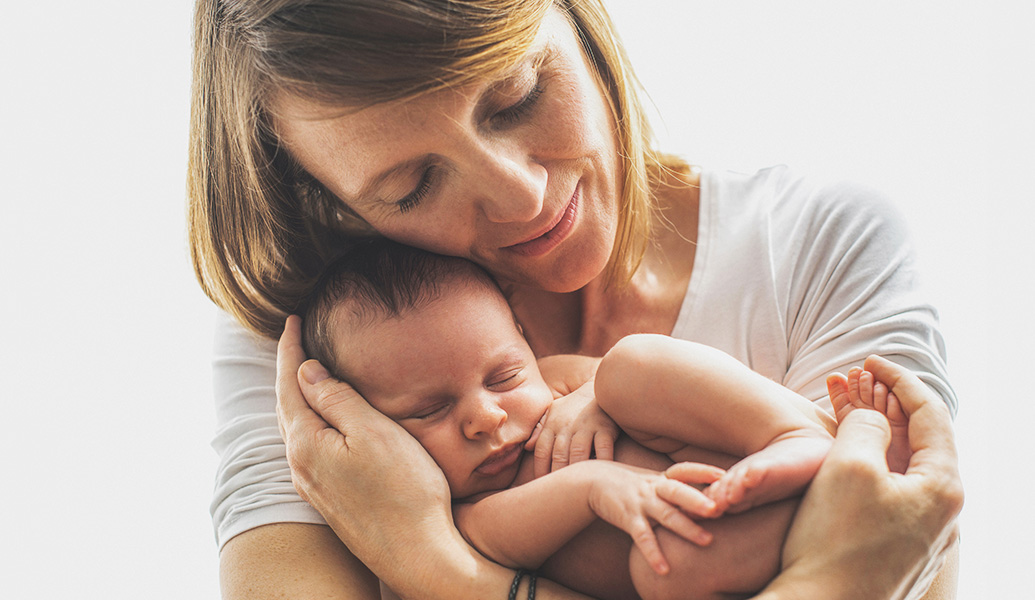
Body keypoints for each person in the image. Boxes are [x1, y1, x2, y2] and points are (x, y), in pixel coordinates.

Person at [188, 0, 961, 597]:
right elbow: (857, 567)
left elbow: (899, 540)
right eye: (410, 184)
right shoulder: (324, 345)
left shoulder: (814, 244)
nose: (521, 195)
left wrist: (438, 570)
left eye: (517, 95)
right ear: (328, 199)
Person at [298, 239, 837, 599]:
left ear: (524, 342)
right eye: (428, 410)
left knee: (631, 365)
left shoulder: (553, 378)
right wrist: (595, 485)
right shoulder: (458, 513)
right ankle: (820, 512)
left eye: (504, 376)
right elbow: (501, 541)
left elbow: (632, 381)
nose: (487, 416)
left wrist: (594, 396)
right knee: (666, 568)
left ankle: (795, 436)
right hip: (724, 541)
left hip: (734, 459)